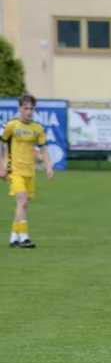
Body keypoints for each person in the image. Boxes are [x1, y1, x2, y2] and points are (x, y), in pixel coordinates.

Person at [1, 94, 54, 249]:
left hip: (30, 171)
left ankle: (13, 238)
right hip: (14, 169)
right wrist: (1, 167)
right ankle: (24, 238)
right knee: (23, 200)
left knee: (22, 205)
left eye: (31, 108)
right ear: (19, 108)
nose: (29, 112)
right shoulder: (11, 125)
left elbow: (43, 149)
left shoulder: (37, 128)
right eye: (26, 108)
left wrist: (49, 167)